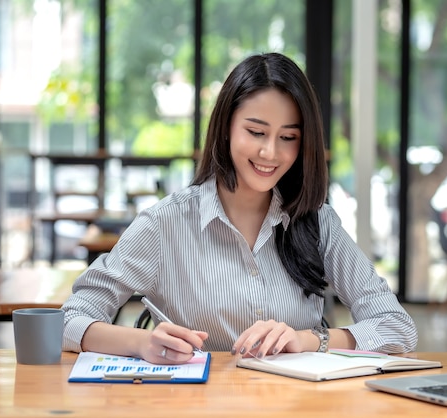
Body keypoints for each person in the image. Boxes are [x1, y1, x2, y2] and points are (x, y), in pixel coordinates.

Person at [61, 52, 417, 364]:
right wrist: (141, 342)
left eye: (288, 138)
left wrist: (309, 341)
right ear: (227, 128)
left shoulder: (317, 222)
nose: (270, 153)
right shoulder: (165, 224)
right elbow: (69, 318)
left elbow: (396, 325)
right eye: (256, 132)